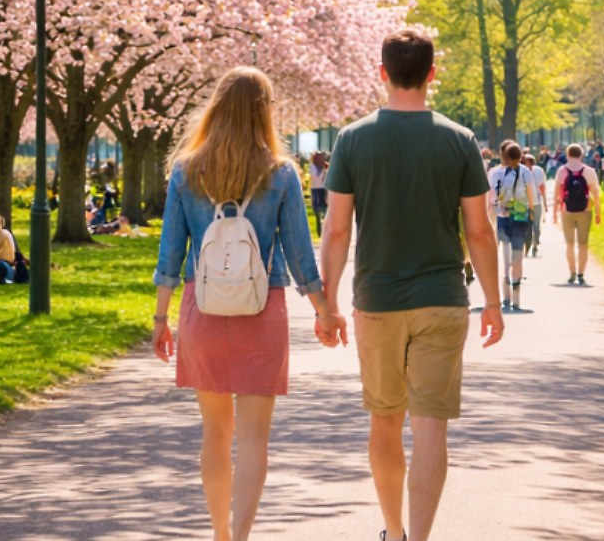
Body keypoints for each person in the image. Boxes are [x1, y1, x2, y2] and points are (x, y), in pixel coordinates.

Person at [318, 27, 504, 541]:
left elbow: (336, 230)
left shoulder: (353, 139)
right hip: (442, 301)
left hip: (376, 301)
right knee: (430, 428)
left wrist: (327, 305)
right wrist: (493, 302)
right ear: (431, 75)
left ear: (382, 73)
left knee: (385, 420)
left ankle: (394, 531)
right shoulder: (460, 141)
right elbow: (480, 232)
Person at [151, 67, 339, 541]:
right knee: (255, 436)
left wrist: (160, 318)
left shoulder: (185, 170)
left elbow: (171, 252)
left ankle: (219, 533)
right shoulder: (280, 173)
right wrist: (324, 311)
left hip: (203, 309)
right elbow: (299, 252)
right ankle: (241, 537)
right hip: (262, 310)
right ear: (263, 113)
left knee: (215, 433)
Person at [487, 142, 537, 310]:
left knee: (506, 257)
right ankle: (516, 300)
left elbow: (492, 197)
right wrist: (532, 214)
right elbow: (533, 197)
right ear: (520, 156)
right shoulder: (525, 173)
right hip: (520, 219)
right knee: (517, 257)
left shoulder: (496, 173)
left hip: (503, 218)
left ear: (504, 157)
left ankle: (505, 298)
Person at [554, 143, 601, 284]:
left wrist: (554, 214)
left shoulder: (562, 171)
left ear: (567, 154)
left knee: (569, 244)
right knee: (583, 245)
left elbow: (557, 194)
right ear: (581, 155)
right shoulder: (589, 171)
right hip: (585, 211)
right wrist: (598, 212)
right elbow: (596, 194)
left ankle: (572, 272)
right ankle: (581, 274)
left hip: (566, 210)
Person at [522, 152, 548, 258]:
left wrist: (545, 203)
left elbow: (542, 187)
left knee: (535, 226)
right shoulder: (521, 171)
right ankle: (528, 245)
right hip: (524, 203)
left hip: (534, 202)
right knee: (526, 226)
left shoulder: (537, 171)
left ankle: (535, 244)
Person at [309, 151, 329, 237]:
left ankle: (321, 231)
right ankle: (321, 231)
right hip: (318, 189)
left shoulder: (315, 167)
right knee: (320, 211)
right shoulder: (316, 167)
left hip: (318, 189)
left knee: (321, 211)